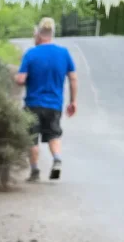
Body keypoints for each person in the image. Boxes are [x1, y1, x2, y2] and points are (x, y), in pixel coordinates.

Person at [14, 17, 78, 181]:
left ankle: (35, 172)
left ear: (38, 34)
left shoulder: (31, 54)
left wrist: (18, 79)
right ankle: (57, 159)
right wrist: (73, 101)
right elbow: (73, 78)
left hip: (33, 104)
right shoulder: (63, 53)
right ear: (52, 33)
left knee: (32, 138)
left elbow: (21, 79)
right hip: (54, 104)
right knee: (53, 135)